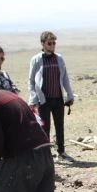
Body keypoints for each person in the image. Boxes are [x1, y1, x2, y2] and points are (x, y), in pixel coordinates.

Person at [28, 31, 75, 159]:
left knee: (59, 125)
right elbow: (31, 80)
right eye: (49, 43)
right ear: (42, 43)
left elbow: (65, 78)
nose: (52, 45)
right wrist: (33, 99)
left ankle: (61, 152)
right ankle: (46, 154)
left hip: (58, 98)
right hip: (44, 100)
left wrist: (69, 95)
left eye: (54, 43)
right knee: (44, 128)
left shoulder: (59, 58)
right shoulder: (36, 59)